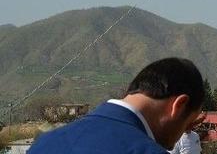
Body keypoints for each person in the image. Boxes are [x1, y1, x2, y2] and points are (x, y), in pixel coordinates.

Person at [30, 57, 205, 154]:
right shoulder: (147, 151)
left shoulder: (44, 144)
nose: (182, 135)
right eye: (188, 124)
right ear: (179, 105)